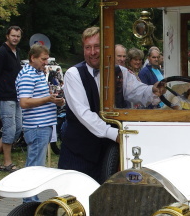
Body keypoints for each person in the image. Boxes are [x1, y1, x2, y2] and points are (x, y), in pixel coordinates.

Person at [58, 27, 164, 181]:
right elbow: (84, 114)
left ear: (106, 47)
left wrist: (153, 90)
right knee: (76, 199)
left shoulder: (120, 72)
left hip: (108, 153)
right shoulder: (74, 74)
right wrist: (116, 135)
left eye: (97, 46)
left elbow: (137, 91)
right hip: (79, 152)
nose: (92, 52)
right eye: (88, 47)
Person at [16, 44, 65, 202]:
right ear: (33, 58)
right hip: (36, 126)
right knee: (34, 166)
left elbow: (38, 98)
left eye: (47, 59)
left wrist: (55, 102)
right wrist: (48, 99)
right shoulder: (27, 75)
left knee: (37, 164)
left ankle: (31, 199)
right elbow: (24, 102)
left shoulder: (37, 73)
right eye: (43, 59)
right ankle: (29, 201)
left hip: (43, 125)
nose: (46, 62)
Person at [0, 25, 22, 172]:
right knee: (9, 129)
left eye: (18, 36)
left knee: (18, 128)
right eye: (13, 35)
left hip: (16, 95)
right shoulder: (2, 52)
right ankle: (8, 162)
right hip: (4, 95)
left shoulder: (17, 52)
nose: (15, 38)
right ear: (7, 36)